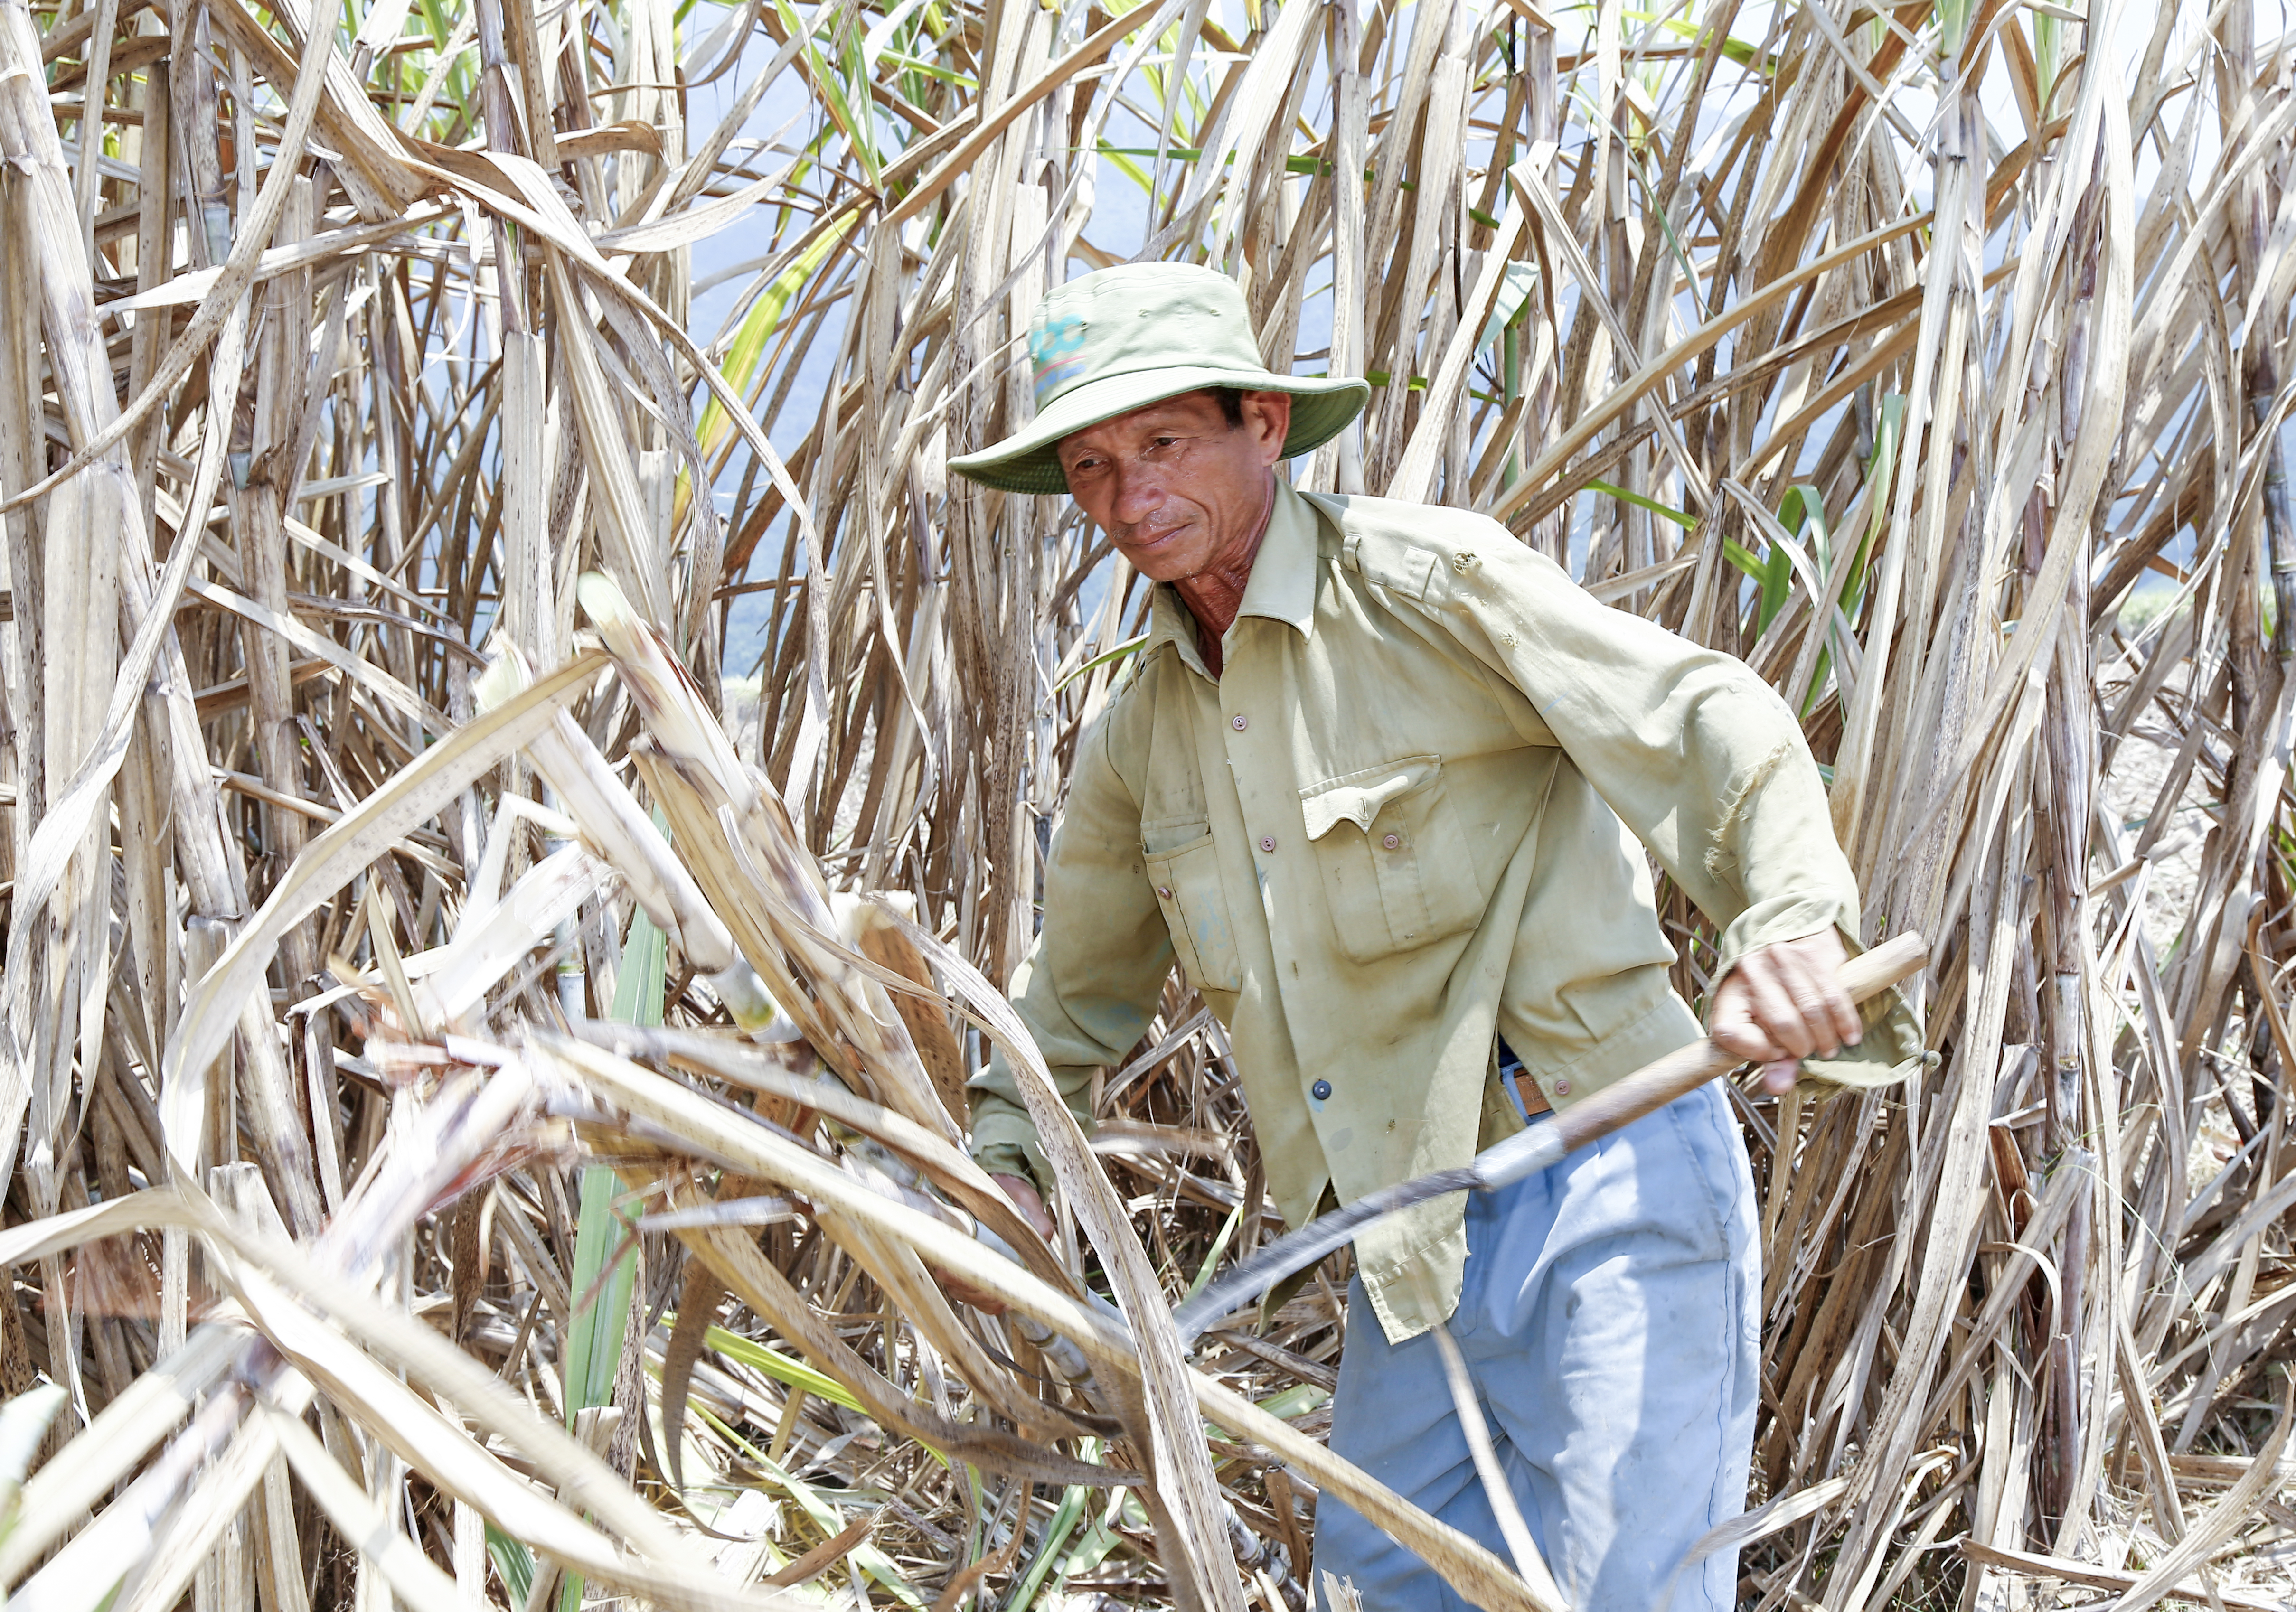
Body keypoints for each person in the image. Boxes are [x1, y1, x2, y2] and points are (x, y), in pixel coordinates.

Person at [943, 262, 1921, 1612]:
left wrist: (1790, 925)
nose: (1126, 496)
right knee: (1386, 1585)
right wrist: (999, 1169)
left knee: (1632, 1593)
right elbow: (1066, 1009)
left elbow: (1704, 717)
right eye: (1092, 465)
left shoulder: (1428, 588)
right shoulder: (1139, 745)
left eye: (1161, 442)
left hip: (1605, 1171)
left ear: (1263, 427)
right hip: (1401, 1240)